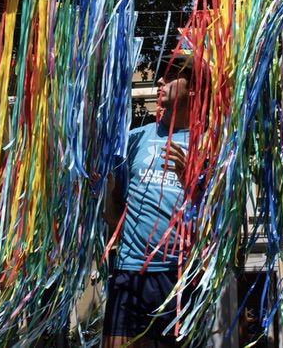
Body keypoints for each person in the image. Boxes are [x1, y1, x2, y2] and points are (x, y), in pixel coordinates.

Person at [102, 53, 198, 348]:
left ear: (192, 89)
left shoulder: (206, 144)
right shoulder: (134, 139)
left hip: (175, 277)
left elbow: (216, 222)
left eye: (170, 77)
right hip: (129, 270)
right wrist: (104, 190)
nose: (160, 81)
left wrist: (189, 182)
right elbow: (114, 213)